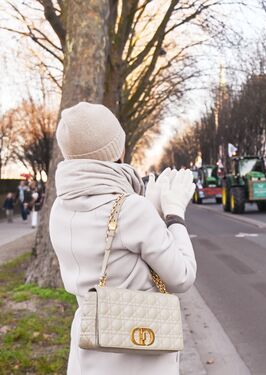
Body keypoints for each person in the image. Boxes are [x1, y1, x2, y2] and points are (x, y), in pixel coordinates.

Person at [49, 102, 197, 375]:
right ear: (117, 150)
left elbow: (116, 253)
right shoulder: (130, 210)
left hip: (88, 351)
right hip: (138, 352)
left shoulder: (59, 208)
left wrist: (145, 209)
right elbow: (182, 277)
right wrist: (174, 215)